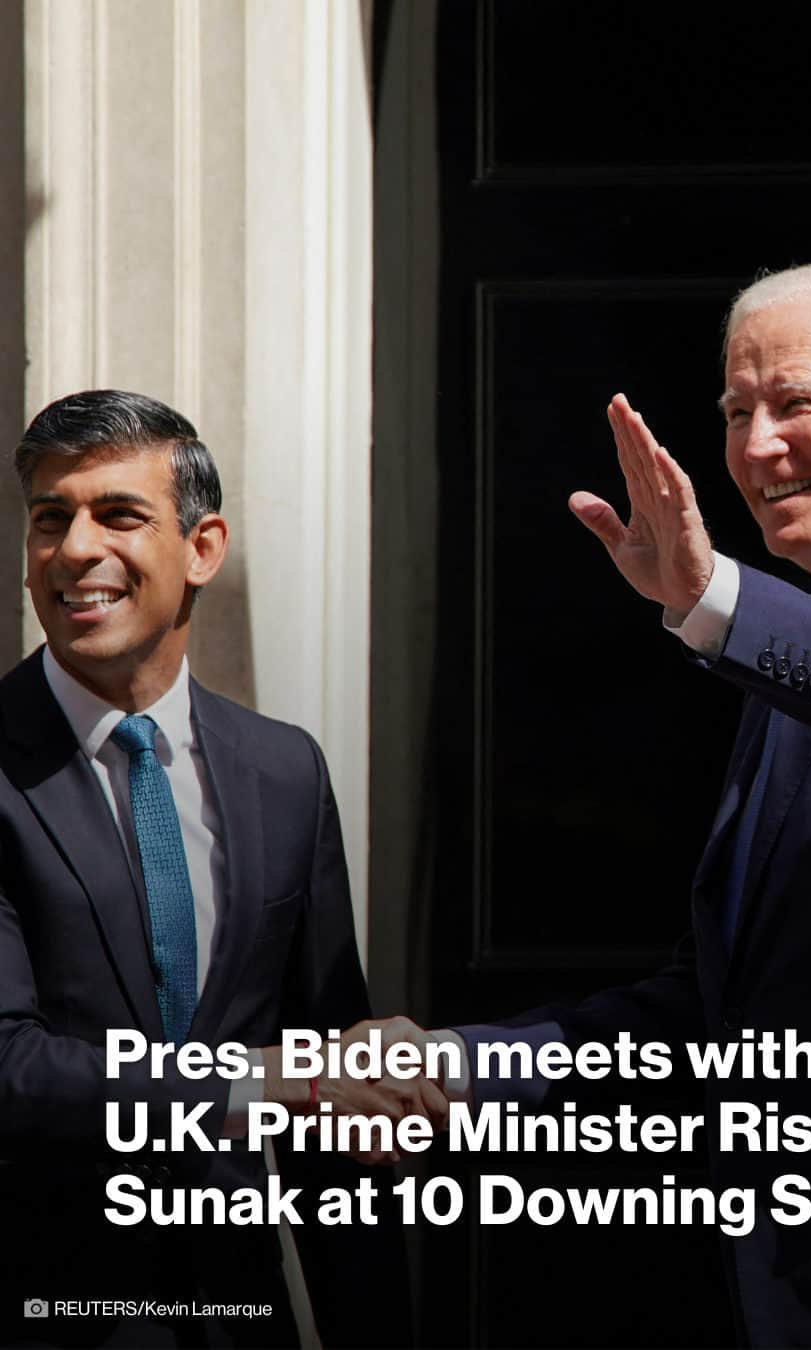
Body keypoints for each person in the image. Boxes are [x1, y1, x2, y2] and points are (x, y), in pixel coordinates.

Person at [397, 263, 811, 1347]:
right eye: (733, 411)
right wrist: (451, 1069)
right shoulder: (786, 667)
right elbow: (721, 1017)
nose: (756, 447)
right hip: (794, 1281)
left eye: (796, 402)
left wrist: (716, 601)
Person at [0, 390, 439, 1347]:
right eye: (49, 519)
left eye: (118, 514)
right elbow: (12, 1069)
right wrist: (267, 1082)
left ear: (203, 548)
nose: (76, 550)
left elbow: (339, 1100)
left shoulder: (284, 772)